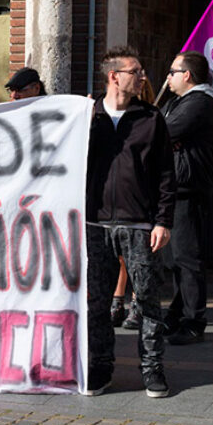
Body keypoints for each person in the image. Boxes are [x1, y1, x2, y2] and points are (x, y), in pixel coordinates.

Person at [86, 48, 175, 398]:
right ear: (114, 76)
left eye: (141, 71)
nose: (142, 77)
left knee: (149, 300)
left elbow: (166, 174)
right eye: (135, 71)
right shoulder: (87, 116)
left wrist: (163, 221)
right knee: (98, 303)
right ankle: (100, 367)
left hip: (140, 224)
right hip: (95, 225)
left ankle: (152, 369)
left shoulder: (151, 118)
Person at [155, 51, 213, 345]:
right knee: (175, 257)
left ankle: (194, 320)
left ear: (187, 75)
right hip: (175, 188)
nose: (167, 77)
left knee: (187, 255)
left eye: (173, 71)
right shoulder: (177, 102)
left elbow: (165, 131)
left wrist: (165, 136)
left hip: (189, 188)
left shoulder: (201, 103)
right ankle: (177, 310)